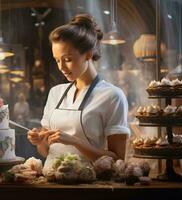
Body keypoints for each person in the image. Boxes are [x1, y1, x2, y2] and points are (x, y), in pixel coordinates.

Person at [27, 14, 130, 172]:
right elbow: (47, 152)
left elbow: (117, 160)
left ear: (88, 54)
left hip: (89, 185)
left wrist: (74, 141)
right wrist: (40, 142)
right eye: (57, 60)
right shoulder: (56, 93)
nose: (61, 67)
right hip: (52, 181)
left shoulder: (112, 96)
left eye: (67, 59)